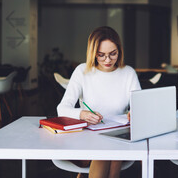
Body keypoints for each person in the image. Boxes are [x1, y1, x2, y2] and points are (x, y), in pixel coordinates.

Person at [57, 26, 141, 178]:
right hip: (87, 139)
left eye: (113, 54)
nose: (107, 60)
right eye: (101, 55)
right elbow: (62, 109)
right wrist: (82, 114)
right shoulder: (82, 71)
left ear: (119, 51)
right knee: (107, 151)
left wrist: (134, 113)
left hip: (118, 137)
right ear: (93, 53)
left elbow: (141, 107)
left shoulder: (128, 73)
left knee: (111, 148)